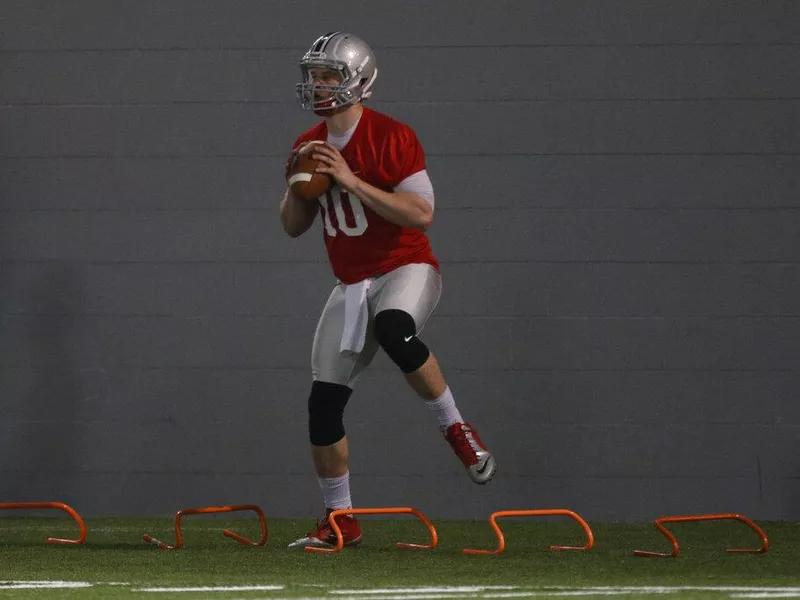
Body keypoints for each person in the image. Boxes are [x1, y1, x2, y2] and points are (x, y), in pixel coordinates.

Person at [279, 31, 497, 549]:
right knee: (322, 405)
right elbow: (292, 226)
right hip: (350, 283)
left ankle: (457, 431)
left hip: (404, 267)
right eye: (315, 75)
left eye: (330, 75)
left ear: (361, 82)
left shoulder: (392, 136)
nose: (319, 84)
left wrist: (351, 180)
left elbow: (422, 216)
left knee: (394, 328)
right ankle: (340, 520)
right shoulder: (306, 143)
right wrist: (296, 185)